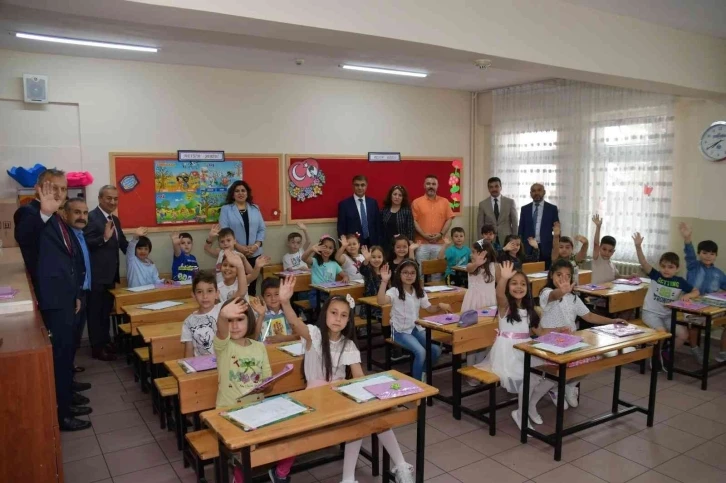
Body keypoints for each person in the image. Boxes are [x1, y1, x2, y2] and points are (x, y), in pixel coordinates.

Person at [278, 276, 415, 483]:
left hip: (339, 400)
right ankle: (350, 477)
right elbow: (295, 323)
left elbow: (359, 378)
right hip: (314, 401)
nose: (337, 319)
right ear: (325, 314)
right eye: (333, 313)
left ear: (348, 320)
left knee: (372, 416)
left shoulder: (348, 345)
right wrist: (285, 302)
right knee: (359, 421)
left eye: (343, 315)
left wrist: (376, 395)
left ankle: (399, 466)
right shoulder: (314, 335)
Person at [14, 172, 92, 432]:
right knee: (59, 357)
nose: (59, 193)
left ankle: (68, 398)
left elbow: (70, 258)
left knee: (66, 354)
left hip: (68, 298)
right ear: (39, 188)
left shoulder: (58, 217)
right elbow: (25, 238)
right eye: (53, 187)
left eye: (63, 188)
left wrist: (77, 292)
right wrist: (44, 212)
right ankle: (62, 415)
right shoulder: (29, 213)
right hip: (53, 301)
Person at [213, 297, 292, 483]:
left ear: (249, 320)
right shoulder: (224, 347)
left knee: (292, 435)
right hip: (229, 412)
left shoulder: (258, 347)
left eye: (240, 319)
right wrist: (222, 316)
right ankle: (239, 479)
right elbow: (222, 331)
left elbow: (267, 382)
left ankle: (280, 473)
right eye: (229, 320)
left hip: (256, 410)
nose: (234, 326)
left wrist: (267, 384)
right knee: (249, 450)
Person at [474, 261, 554, 430]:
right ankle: (521, 414)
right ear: (508, 287)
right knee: (528, 377)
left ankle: (530, 405)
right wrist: (503, 278)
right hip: (508, 351)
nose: (519, 287)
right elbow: (499, 293)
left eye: (523, 284)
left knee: (552, 373)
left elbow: (540, 332)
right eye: (514, 283)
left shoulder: (530, 310)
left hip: (525, 349)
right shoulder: (505, 307)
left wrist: (559, 330)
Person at [539, 259, 626, 409]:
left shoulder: (572, 297)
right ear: (551, 275)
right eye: (559, 275)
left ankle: (570, 385)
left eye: (567, 276)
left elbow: (589, 316)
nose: (563, 279)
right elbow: (554, 295)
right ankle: (555, 388)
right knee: (562, 368)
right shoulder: (546, 293)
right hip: (551, 343)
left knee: (594, 358)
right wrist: (562, 291)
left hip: (570, 341)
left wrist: (612, 321)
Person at [633, 233, 700, 368]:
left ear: (677, 268)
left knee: (683, 334)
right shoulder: (656, 276)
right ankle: (655, 357)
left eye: (670, 267)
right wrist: (638, 247)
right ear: (660, 266)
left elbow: (696, 291)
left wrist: (688, 295)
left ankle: (666, 353)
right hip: (650, 313)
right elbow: (643, 262)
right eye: (663, 266)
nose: (666, 270)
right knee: (662, 332)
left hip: (668, 315)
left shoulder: (680, 281)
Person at [378, 261, 451, 381]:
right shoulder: (394, 291)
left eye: (412, 273)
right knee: (421, 352)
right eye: (405, 272)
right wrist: (384, 281)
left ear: (416, 275)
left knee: (436, 350)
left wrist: (439, 306)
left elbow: (429, 309)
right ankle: (417, 383)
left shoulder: (419, 291)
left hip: (416, 329)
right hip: (399, 331)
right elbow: (381, 301)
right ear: (399, 274)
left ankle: (422, 372)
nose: (409, 275)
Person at [84, 185, 127, 361]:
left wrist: (138, 248)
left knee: (105, 312)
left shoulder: (115, 220)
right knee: (95, 314)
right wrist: (104, 238)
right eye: (109, 198)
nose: (113, 202)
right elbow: (85, 243)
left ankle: (105, 341)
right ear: (100, 198)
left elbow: (123, 243)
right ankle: (97, 348)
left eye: (116, 199)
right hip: (96, 277)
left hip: (110, 276)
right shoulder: (91, 217)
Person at [182, 255, 247, 358]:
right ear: (193, 295)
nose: (205, 296)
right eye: (199, 292)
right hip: (202, 365)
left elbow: (242, 292)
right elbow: (188, 354)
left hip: (226, 361)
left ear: (217, 293)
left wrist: (240, 266)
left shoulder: (223, 309)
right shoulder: (188, 322)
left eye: (210, 291)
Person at [679, 223, 726, 362]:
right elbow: (689, 254)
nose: (708, 256)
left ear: (716, 256)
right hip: (691, 304)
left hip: (712, 307)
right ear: (699, 254)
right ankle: (695, 349)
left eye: (712, 254)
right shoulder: (693, 266)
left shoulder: (719, 273)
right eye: (704, 253)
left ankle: (723, 351)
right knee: (695, 323)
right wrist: (687, 238)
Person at [219, 180, 266, 296]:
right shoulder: (226, 209)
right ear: (233, 194)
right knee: (236, 286)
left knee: (252, 287)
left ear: (247, 193)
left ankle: (250, 306)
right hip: (234, 254)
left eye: (243, 190)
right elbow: (224, 231)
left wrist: (256, 246)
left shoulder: (255, 208)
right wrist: (238, 247)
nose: (240, 193)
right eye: (237, 191)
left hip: (254, 253)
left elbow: (262, 229)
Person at [462, 240, 499, 382]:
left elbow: (501, 283)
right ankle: (470, 371)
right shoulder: (471, 266)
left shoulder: (495, 266)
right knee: (473, 338)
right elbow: (470, 268)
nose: (471, 255)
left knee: (487, 337)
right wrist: (476, 263)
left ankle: (482, 367)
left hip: (489, 302)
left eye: (474, 252)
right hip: (473, 304)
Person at [64, 198, 93, 378]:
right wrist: (76, 293)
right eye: (77, 212)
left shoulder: (81, 234)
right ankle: (67, 378)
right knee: (69, 336)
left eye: (85, 213)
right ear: (65, 214)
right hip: (73, 294)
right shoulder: (66, 237)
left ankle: (70, 369)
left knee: (76, 335)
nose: (82, 216)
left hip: (83, 291)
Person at [412, 175, 455, 276]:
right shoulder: (416, 202)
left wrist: (441, 234)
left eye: (433, 184)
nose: (431, 186)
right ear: (424, 185)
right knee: (420, 274)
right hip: (421, 244)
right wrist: (424, 235)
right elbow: (414, 221)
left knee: (437, 275)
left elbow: (449, 219)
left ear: (437, 186)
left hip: (439, 244)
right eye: (428, 184)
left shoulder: (445, 202)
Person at [204, 225, 268, 288]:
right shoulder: (220, 253)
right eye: (222, 241)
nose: (225, 243)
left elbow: (251, 272)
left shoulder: (238, 255)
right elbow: (207, 248)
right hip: (220, 286)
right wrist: (210, 237)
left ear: (234, 241)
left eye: (228, 240)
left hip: (235, 287)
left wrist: (244, 259)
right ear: (219, 243)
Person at [303, 235, 349, 312]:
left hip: (329, 292)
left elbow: (344, 275)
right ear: (320, 247)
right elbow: (303, 258)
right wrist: (311, 249)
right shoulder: (315, 261)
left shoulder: (334, 264)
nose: (327, 250)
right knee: (321, 306)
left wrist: (345, 277)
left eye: (330, 248)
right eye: (325, 247)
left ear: (333, 250)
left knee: (337, 304)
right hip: (316, 292)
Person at [518, 183, 559, 267]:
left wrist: (556, 248)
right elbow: (521, 230)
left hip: (546, 248)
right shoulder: (525, 209)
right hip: (528, 248)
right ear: (530, 193)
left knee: (545, 272)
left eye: (539, 190)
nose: (536, 193)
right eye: (533, 191)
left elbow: (556, 230)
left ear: (544, 192)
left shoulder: (552, 209)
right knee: (529, 272)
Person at [336, 175, 381, 247]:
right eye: (357, 185)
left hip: (372, 243)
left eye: (362, 185)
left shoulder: (373, 203)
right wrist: (343, 247)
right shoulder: (344, 205)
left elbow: (377, 225)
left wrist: (378, 244)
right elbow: (341, 229)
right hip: (353, 245)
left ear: (366, 186)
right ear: (353, 186)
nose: (360, 188)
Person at [248, 278, 297, 344]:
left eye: (276, 294)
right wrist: (261, 316)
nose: (273, 298)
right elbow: (254, 338)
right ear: (262, 297)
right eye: (268, 295)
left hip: (286, 346)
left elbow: (299, 336)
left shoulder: (288, 312)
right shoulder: (258, 313)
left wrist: (284, 339)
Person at [477, 177, 518, 245]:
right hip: (489, 240)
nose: (494, 189)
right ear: (488, 189)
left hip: (507, 239)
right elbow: (480, 225)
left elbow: (515, 223)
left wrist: (515, 239)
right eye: (491, 187)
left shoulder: (510, 202)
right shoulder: (482, 204)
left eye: (496, 186)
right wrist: (481, 243)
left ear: (501, 187)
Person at [380, 184, 415, 256]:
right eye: (395, 194)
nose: (397, 197)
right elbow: (381, 229)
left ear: (403, 198)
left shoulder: (407, 212)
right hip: (386, 246)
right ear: (390, 196)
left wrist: (410, 248)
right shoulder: (384, 210)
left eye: (400, 195)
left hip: (401, 247)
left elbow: (410, 231)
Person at [590, 215, 620, 284]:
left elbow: (618, 277)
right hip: (596, 290)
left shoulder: (612, 264)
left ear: (613, 252)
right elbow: (596, 244)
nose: (606, 253)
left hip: (608, 290)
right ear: (599, 248)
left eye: (610, 251)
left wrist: (630, 276)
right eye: (604, 249)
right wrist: (598, 227)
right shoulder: (597, 259)